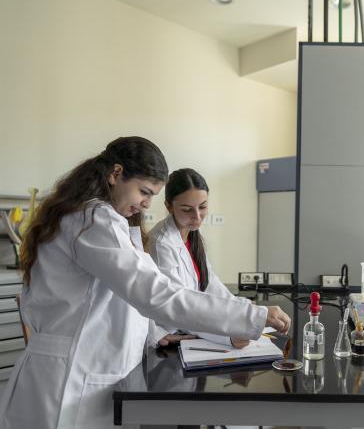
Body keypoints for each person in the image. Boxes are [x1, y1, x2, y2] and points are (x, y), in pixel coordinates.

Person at [0, 137, 290, 429]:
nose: (146, 204)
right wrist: (254, 315)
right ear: (115, 175)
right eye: (144, 191)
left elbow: (126, 297)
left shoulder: (101, 220)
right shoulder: (94, 220)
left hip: (94, 373)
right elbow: (156, 295)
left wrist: (153, 333)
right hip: (69, 380)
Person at [147, 168, 250, 349]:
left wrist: (245, 313)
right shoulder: (161, 243)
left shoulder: (191, 232)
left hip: (192, 330)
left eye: (202, 207)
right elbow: (180, 307)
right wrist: (226, 337)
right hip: (171, 336)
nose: (197, 217)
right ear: (169, 206)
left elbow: (211, 285)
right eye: (187, 209)